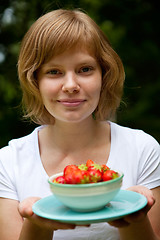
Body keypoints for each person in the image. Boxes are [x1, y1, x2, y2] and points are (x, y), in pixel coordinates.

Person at [0, 8, 160, 240]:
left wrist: (135, 217)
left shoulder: (143, 149)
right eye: (54, 72)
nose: (70, 85)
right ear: (34, 81)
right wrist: (38, 225)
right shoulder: (8, 162)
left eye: (85, 69)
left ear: (104, 75)